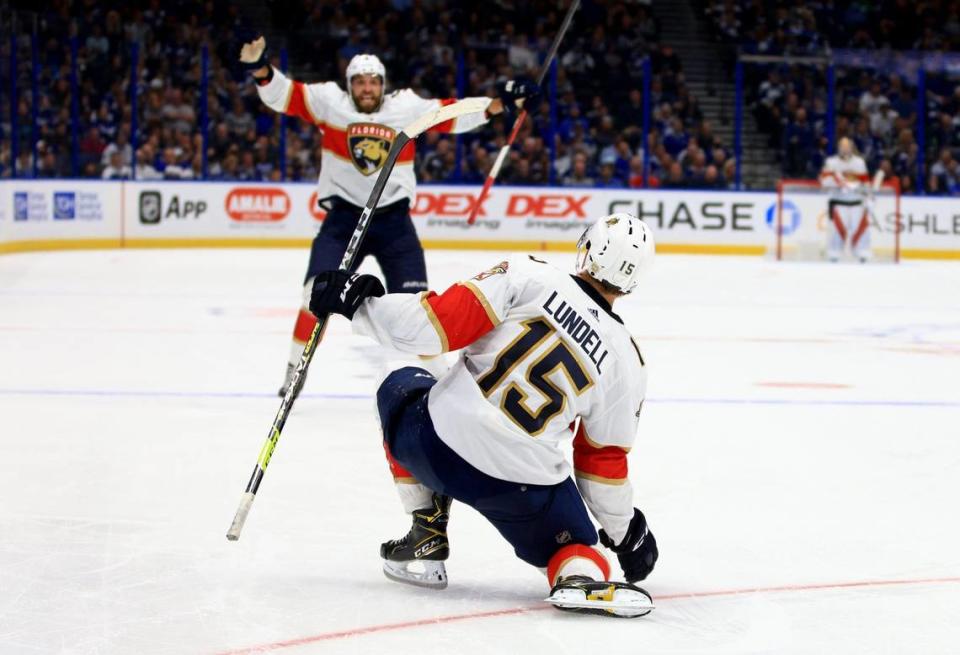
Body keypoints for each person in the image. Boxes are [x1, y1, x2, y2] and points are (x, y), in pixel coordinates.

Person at [308, 213, 660, 618]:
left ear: (587, 248)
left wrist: (360, 304)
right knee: (576, 546)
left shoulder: (528, 274)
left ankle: (426, 526)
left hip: (435, 444)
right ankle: (576, 578)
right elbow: (602, 463)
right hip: (520, 486)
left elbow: (434, 326)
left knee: (396, 375)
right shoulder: (628, 361)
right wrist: (627, 531)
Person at [238, 37, 539, 398]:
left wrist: (500, 104)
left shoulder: (406, 107)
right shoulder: (329, 102)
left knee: (422, 308)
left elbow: (451, 114)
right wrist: (260, 68)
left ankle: (438, 384)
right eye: (360, 82)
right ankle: (294, 371)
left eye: (373, 81)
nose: (367, 88)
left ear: (383, 84)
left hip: (393, 222)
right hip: (344, 220)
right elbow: (283, 94)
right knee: (313, 296)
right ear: (350, 85)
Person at [819, 137, 871, 262]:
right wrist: (838, 183)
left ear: (851, 147)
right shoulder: (831, 162)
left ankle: (862, 252)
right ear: (839, 148)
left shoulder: (859, 163)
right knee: (837, 230)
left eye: (847, 146)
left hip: (856, 202)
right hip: (838, 202)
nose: (845, 148)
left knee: (860, 228)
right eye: (842, 146)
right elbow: (824, 181)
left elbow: (865, 182)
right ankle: (834, 253)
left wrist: (857, 186)